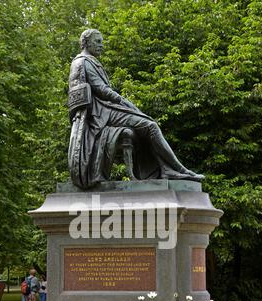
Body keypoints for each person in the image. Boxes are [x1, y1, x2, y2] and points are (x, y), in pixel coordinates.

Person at [68, 29, 204, 189]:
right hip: (100, 115)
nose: (101, 46)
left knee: (148, 126)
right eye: (98, 41)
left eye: (102, 42)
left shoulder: (89, 61)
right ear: (86, 42)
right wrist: (125, 102)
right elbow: (102, 90)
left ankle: (168, 169)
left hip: (107, 111)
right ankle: (177, 169)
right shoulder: (83, 62)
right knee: (150, 126)